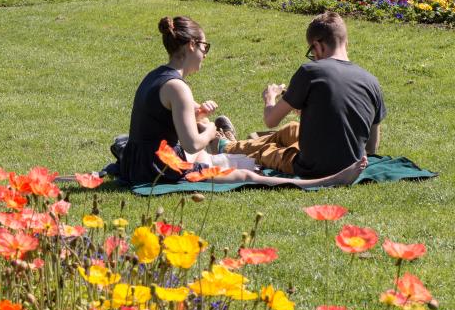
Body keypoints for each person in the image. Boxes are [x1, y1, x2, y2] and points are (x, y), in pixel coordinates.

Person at [118, 16, 366, 187]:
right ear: (192, 45)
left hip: (138, 161)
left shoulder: (157, 75)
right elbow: (192, 144)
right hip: (157, 167)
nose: (205, 54)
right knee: (248, 175)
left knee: (209, 158)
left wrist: (197, 118)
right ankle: (328, 181)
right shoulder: (177, 87)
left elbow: (160, 123)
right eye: (204, 47)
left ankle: (227, 145)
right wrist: (211, 129)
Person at [221, 12, 385, 177]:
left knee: (268, 152)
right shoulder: (372, 82)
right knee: (291, 129)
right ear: (346, 42)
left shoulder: (311, 72)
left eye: (312, 52)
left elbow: (271, 120)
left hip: (312, 167)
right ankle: (232, 145)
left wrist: (270, 97)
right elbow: (371, 147)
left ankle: (223, 146)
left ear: (317, 46)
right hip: (354, 164)